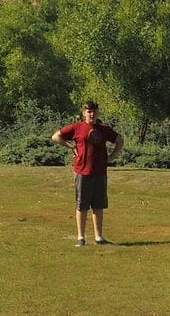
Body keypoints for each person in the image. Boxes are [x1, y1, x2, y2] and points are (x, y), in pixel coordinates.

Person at [51, 100, 124, 246]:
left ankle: (99, 237)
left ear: (97, 113)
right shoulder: (77, 127)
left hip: (99, 172)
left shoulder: (103, 129)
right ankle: (81, 237)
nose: (92, 114)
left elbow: (119, 140)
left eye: (94, 111)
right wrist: (70, 146)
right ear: (84, 113)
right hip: (82, 172)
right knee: (82, 205)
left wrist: (111, 157)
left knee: (98, 206)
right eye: (89, 111)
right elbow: (56, 136)